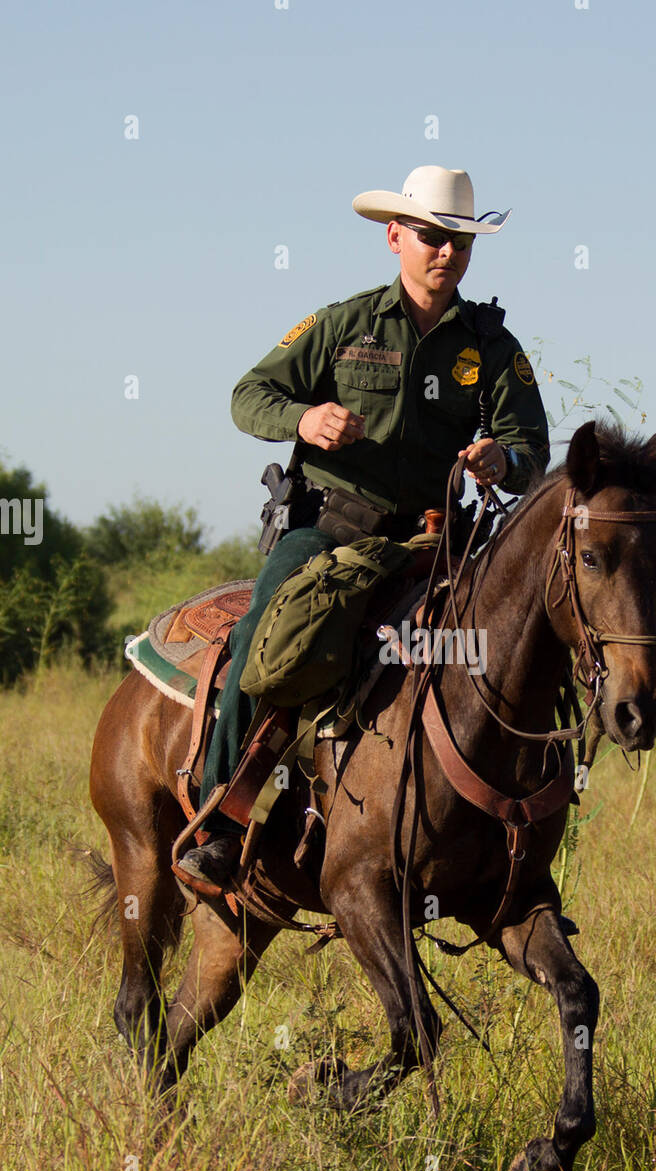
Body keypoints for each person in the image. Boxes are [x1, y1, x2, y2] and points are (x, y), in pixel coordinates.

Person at [176, 165, 550, 892]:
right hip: (333, 528)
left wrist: (501, 458)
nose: (447, 253)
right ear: (395, 237)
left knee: (510, 645)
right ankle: (220, 818)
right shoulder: (343, 324)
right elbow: (249, 395)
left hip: (436, 542)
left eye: (461, 243)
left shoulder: (493, 347)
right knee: (268, 634)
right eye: (433, 238)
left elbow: (531, 449)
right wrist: (304, 419)